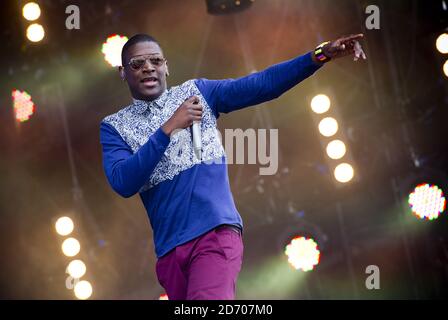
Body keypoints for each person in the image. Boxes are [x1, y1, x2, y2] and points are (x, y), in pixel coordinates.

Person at [99, 33, 366, 300]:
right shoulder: (114, 126)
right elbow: (123, 182)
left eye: (156, 60)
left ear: (166, 66)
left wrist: (318, 55)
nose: (148, 67)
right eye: (137, 63)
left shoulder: (197, 92)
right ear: (123, 71)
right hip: (169, 253)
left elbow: (262, 84)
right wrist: (168, 127)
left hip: (214, 235)